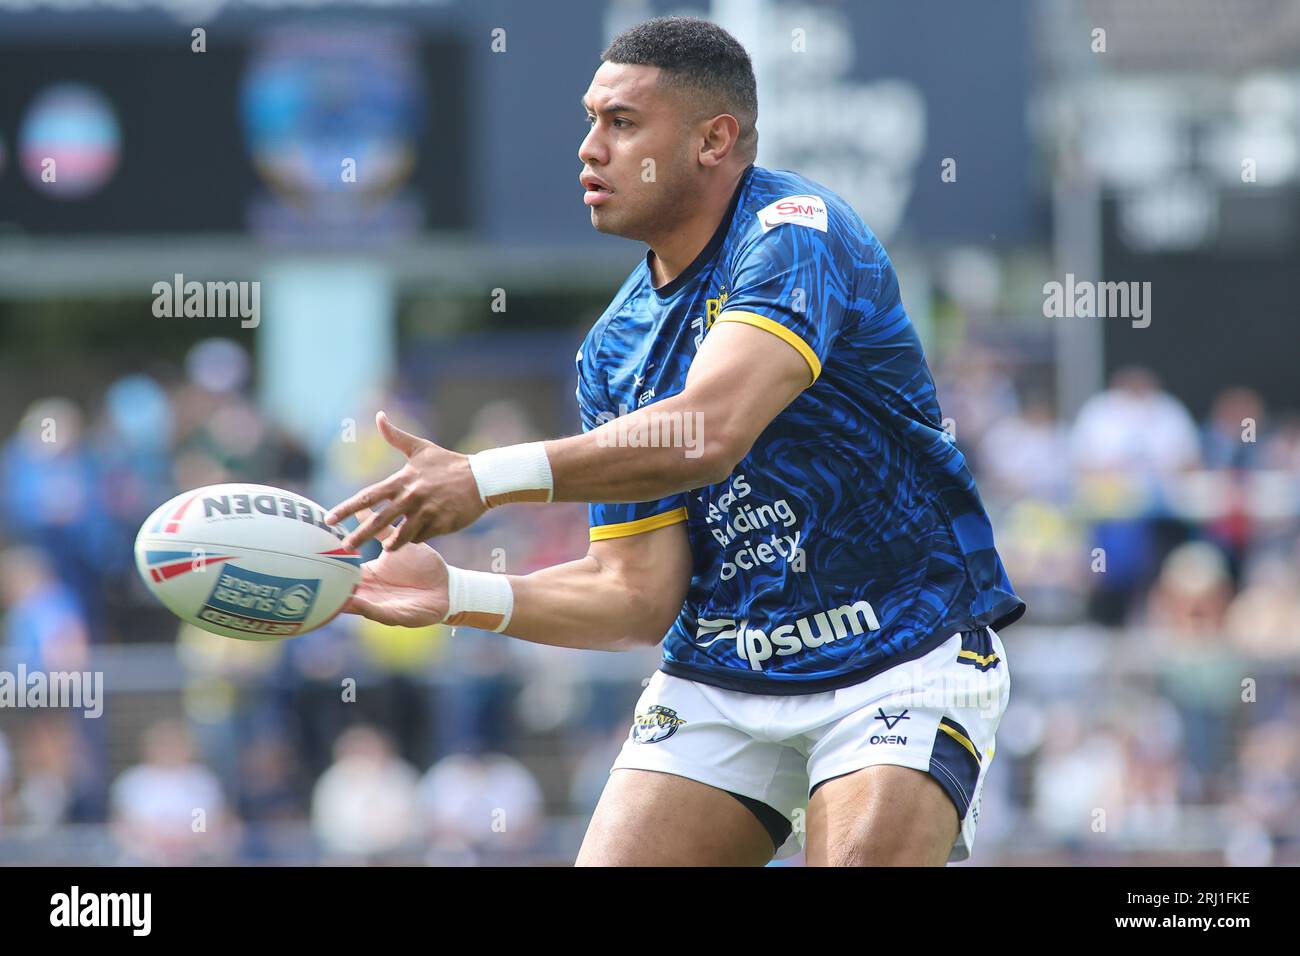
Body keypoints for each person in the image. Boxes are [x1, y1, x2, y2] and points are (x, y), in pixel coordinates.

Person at [329, 16, 1023, 866]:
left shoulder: (796, 231)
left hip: (902, 658)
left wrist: (486, 477)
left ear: (713, 140)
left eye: (622, 123)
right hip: (722, 680)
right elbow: (636, 596)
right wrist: (461, 594)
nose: (589, 147)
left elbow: (709, 432)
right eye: (591, 119)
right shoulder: (613, 349)